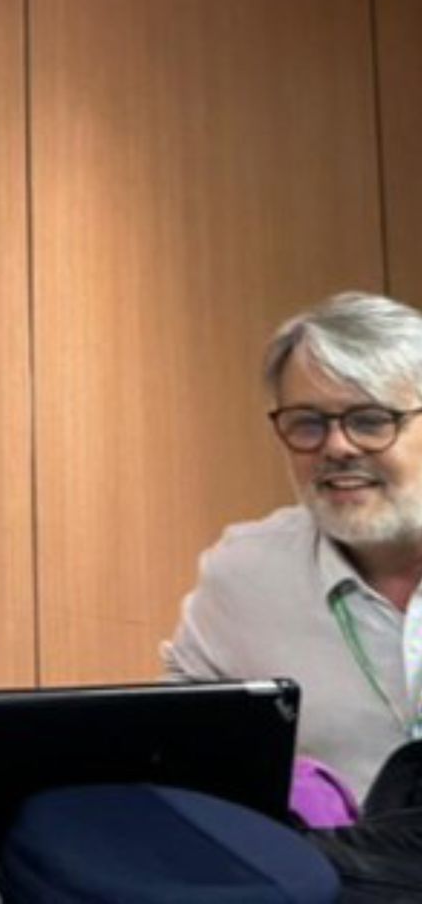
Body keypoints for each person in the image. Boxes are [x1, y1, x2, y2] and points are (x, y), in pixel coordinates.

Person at [165, 291, 422, 802]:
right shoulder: (245, 575)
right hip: (348, 874)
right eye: (307, 422)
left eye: (371, 420)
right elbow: (178, 741)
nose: (337, 446)